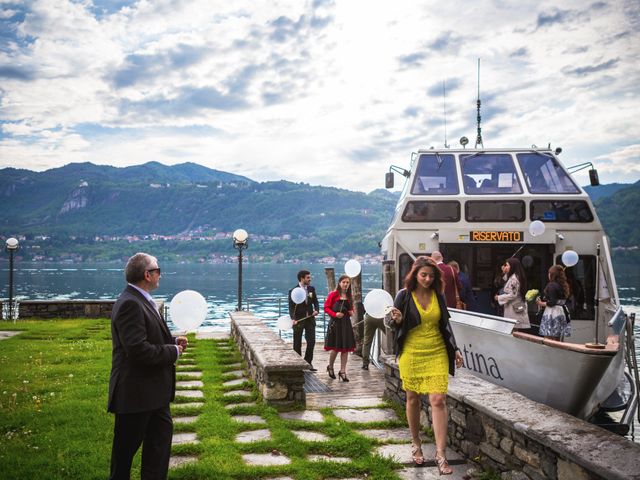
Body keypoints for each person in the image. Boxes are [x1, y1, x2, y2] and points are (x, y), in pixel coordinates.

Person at [108, 252, 188, 480]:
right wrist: (172, 352)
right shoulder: (130, 304)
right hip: (136, 395)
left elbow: (146, 338)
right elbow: (137, 350)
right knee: (123, 459)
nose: (160, 275)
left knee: (158, 452)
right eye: (158, 270)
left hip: (155, 395)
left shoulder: (141, 300)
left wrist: (172, 342)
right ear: (147, 274)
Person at [386, 256, 463, 474]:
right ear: (415, 274)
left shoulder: (438, 295)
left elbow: (445, 324)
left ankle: (441, 454)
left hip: (437, 350)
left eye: (431, 275)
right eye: (423, 275)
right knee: (412, 398)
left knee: (438, 399)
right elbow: (389, 322)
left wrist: (455, 349)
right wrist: (397, 319)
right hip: (412, 351)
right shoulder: (403, 295)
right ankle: (416, 443)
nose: (428, 279)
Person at [324, 275, 356, 381]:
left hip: (346, 324)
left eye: (347, 282)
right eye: (344, 282)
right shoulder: (333, 294)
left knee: (345, 349)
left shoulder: (349, 296)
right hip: (336, 324)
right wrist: (335, 314)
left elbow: (352, 311)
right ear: (339, 283)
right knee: (336, 348)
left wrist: (351, 312)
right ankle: (331, 366)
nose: (346, 284)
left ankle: (342, 371)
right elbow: (326, 308)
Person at [288, 270, 320, 371]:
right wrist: (293, 319)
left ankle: (308, 362)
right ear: (302, 278)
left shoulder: (311, 289)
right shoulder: (293, 290)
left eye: (309, 277)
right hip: (298, 320)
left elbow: (315, 301)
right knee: (297, 342)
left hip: (310, 319)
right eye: (308, 278)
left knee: (312, 341)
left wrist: (316, 310)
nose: (310, 279)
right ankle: (297, 364)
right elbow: (291, 307)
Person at [536, 265, 572, 340]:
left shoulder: (552, 285)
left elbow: (552, 302)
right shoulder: (563, 285)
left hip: (552, 313)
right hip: (561, 312)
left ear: (552, 274)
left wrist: (540, 303)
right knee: (557, 338)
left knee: (548, 337)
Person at [495, 257, 530, 331]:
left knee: (513, 328)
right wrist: (504, 272)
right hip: (517, 305)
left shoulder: (514, 279)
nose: (505, 267)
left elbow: (513, 294)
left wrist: (499, 297)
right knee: (514, 328)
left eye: (507, 265)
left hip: (515, 306)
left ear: (512, 266)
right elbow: (506, 280)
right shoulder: (515, 276)